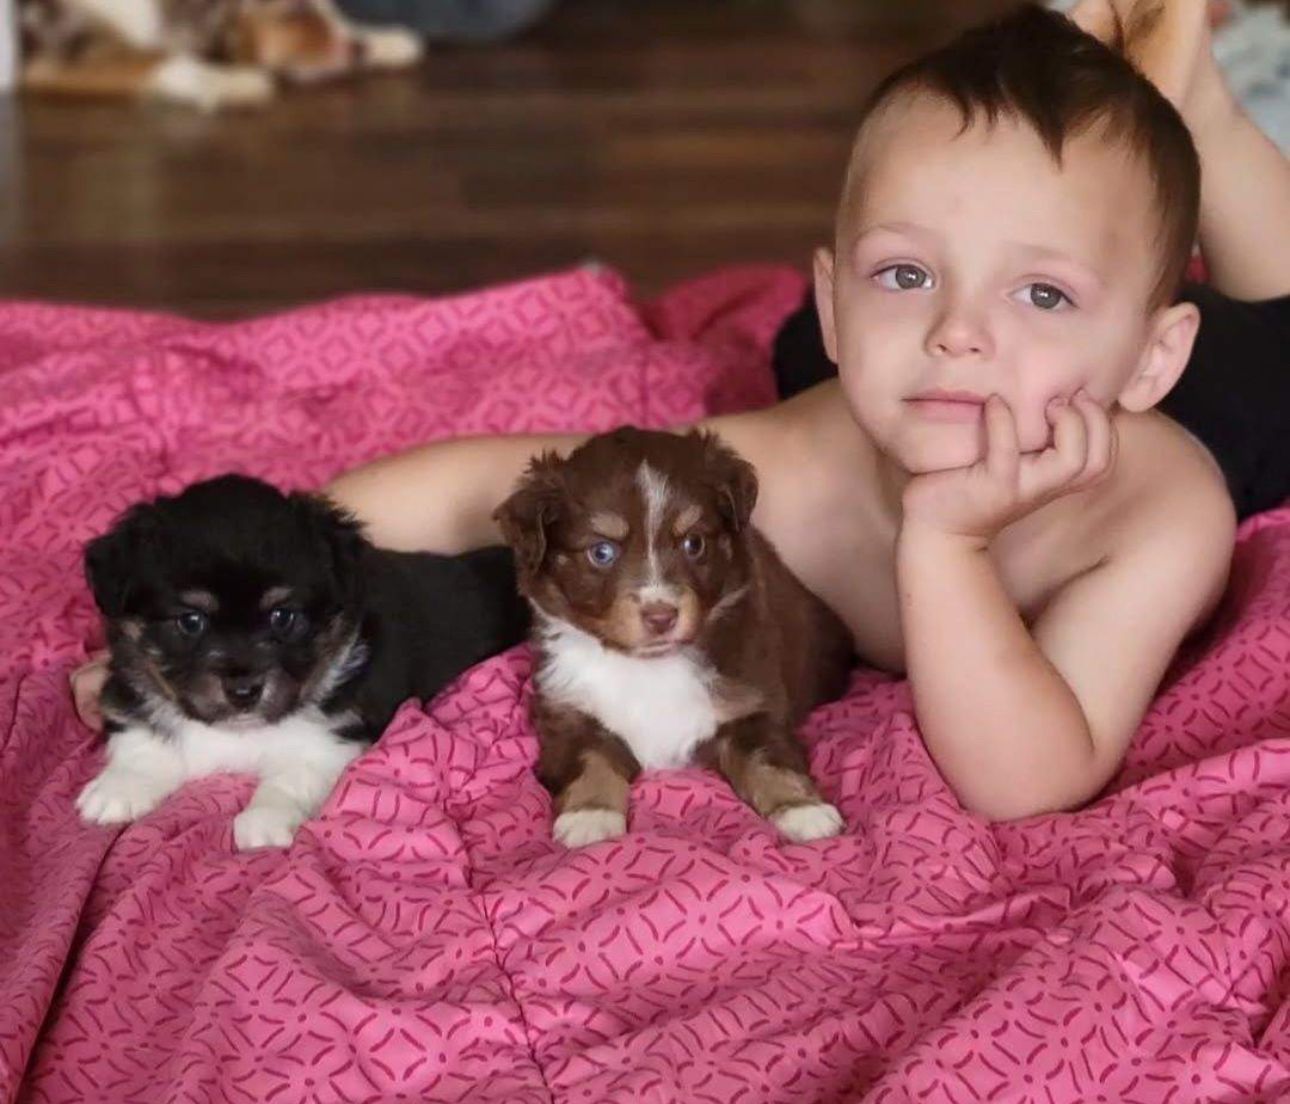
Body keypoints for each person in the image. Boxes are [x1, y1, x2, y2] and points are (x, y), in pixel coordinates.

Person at [72, 1, 1290, 821]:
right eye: (907, 274)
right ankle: (1003, 200)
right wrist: (234, 608)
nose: (959, 328)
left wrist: (947, 542)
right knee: (832, 348)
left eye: (1041, 291)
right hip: (854, 375)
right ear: (836, 274)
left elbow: (1029, 780)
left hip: (1224, 399)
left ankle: (1189, 95)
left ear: (1141, 355)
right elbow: (464, 489)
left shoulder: (1156, 519)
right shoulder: (814, 450)